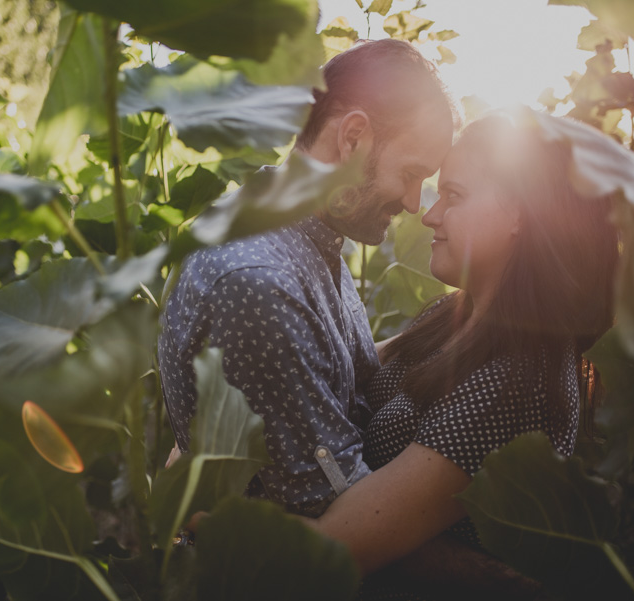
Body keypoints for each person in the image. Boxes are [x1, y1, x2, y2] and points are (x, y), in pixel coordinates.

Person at [308, 110, 619, 598]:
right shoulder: (451, 316)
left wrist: (200, 515)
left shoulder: (519, 379)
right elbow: (340, 366)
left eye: (453, 196)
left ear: (520, 211)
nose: (429, 215)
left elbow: (333, 547)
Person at [158, 38, 457, 517]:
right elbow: (338, 513)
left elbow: (331, 366)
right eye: (411, 173)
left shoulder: (304, 233)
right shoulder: (259, 283)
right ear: (353, 138)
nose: (411, 203)